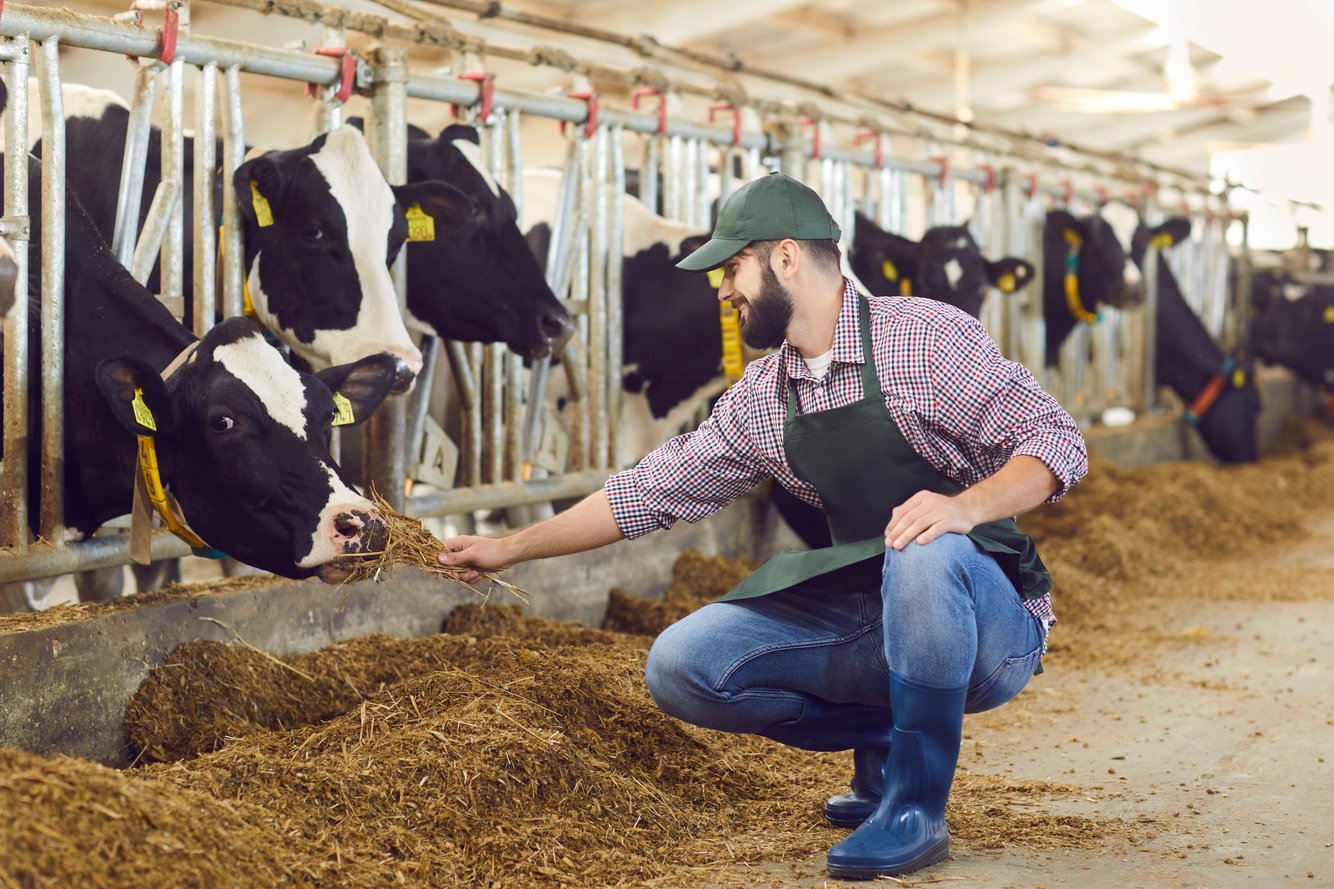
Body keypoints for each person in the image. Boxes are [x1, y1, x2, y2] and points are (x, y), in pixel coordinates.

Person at [439, 171, 1088, 880]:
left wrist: (962, 508)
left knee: (924, 550)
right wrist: (511, 546)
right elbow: (648, 491)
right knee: (682, 666)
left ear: (784, 258)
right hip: (873, 613)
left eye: (731, 268)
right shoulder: (763, 395)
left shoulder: (923, 341)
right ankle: (883, 728)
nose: (721, 290)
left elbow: (1057, 440)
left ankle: (913, 806)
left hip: (987, 626)